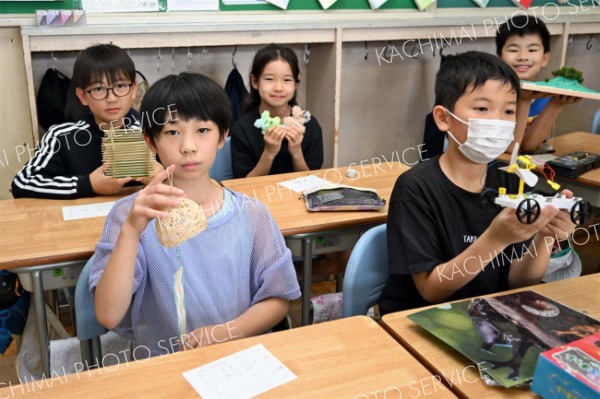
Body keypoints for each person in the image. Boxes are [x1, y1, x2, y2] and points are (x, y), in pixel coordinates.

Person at [90, 72, 301, 357]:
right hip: (163, 366)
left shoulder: (251, 214)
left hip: (238, 361)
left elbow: (278, 298)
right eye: (172, 132)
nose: (188, 146)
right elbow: (108, 315)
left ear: (223, 136)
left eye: (202, 130)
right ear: (150, 142)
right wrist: (130, 231)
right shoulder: (129, 215)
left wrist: (223, 333)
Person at [378, 52, 576, 314]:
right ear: (444, 118)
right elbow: (431, 291)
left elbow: (519, 281)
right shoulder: (416, 187)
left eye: (508, 111)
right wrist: (495, 239)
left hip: (488, 316)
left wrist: (544, 234)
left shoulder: (512, 181)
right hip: (420, 318)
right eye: (482, 108)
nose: (498, 121)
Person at [12, 43, 160, 199]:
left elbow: (183, 172)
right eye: (98, 89)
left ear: (134, 89)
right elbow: (22, 183)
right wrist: (87, 184)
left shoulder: (153, 130)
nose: (111, 98)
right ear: (82, 96)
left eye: (121, 86)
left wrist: (164, 177)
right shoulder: (61, 137)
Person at [230, 43, 323, 178]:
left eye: (287, 80)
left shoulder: (309, 124)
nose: (278, 87)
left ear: (295, 84)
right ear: (255, 81)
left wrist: (296, 152)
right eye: (269, 79)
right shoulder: (242, 128)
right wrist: (269, 153)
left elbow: (312, 180)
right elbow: (243, 184)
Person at [496, 15, 580, 153]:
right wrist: (523, 100)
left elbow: (528, 146)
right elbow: (510, 149)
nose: (522, 56)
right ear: (500, 58)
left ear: (545, 58)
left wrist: (556, 104)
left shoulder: (543, 98)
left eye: (532, 50)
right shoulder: (492, 95)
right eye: (513, 50)